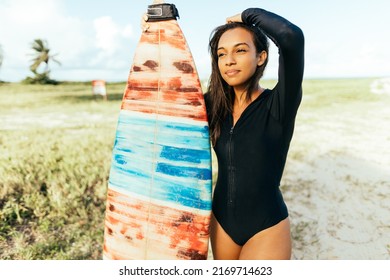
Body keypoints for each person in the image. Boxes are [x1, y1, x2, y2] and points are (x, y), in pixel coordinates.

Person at [142, 6, 304, 260]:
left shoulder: (279, 105)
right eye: (221, 54)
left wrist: (248, 15)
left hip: (266, 225)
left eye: (240, 50)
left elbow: (291, 37)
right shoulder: (211, 106)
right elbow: (164, 94)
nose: (229, 60)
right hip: (221, 223)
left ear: (261, 57)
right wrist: (155, 32)